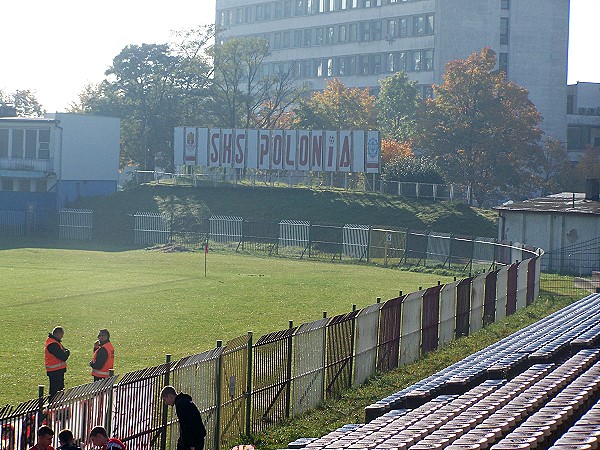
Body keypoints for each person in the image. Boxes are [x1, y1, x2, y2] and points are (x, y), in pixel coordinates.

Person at [161, 386, 206, 450]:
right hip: (197, 437)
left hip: (194, 440)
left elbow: (188, 424)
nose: (165, 403)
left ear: (170, 396)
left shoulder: (181, 404)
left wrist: (191, 444)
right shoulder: (184, 401)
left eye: (165, 399)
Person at [45, 327, 70, 397]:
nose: (62, 336)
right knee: (56, 391)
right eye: (62, 334)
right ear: (58, 334)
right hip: (55, 371)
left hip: (55, 370)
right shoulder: (53, 344)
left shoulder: (53, 342)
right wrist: (67, 352)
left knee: (57, 390)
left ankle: (56, 404)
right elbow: (63, 356)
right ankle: (55, 405)